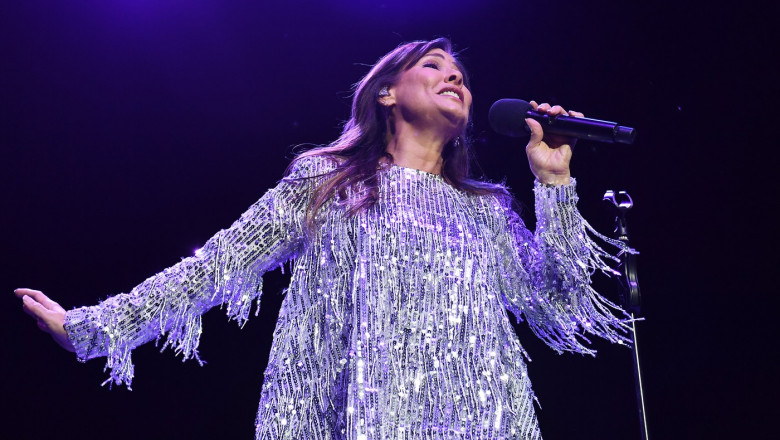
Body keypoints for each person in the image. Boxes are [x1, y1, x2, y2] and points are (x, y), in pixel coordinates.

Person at [15, 38, 634, 439]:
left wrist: (554, 187)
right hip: (356, 415)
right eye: (434, 67)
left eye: (462, 75)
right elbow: (218, 264)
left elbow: (559, 303)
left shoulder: (486, 208)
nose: (456, 79)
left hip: (476, 419)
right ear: (387, 92)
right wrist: (95, 328)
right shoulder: (328, 180)